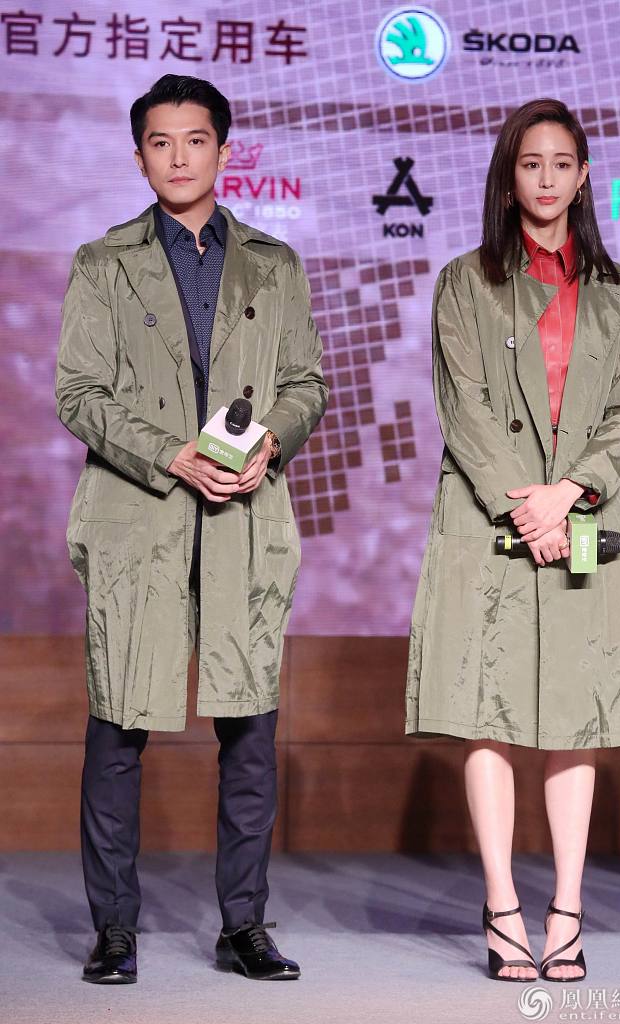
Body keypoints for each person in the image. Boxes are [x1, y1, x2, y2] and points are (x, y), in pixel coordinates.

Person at [55, 74, 328, 984]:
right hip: (139, 515)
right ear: (139, 156)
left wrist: (271, 442)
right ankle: (114, 929)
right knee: (118, 727)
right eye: (160, 143)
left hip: (244, 513)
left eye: (196, 140)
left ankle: (244, 925)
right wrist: (169, 453)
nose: (179, 157)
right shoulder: (103, 263)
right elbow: (78, 393)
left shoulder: (274, 264)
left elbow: (306, 383)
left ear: (224, 150)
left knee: (249, 729)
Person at [405, 98, 620, 983]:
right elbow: (463, 408)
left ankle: (565, 910)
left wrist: (569, 493)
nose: (547, 178)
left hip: (584, 515)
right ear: (507, 178)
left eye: (562, 163)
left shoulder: (618, 291)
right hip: (491, 518)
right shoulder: (464, 281)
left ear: (584, 176)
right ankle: (500, 906)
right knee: (485, 707)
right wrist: (527, 507)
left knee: (575, 712)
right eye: (530, 164)